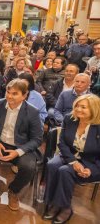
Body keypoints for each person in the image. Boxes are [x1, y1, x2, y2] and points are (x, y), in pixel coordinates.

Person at [0, 79, 43, 211]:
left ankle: (13, 191)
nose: (9, 96)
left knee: (29, 167)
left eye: (15, 93)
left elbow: (37, 139)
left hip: (21, 147)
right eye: (8, 92)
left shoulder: (32, 112)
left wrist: (19, 151)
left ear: (24, 95)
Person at [43, 94, 100, 223]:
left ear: (94, 109)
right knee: (52, 165)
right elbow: (62, 142)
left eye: (83, 107)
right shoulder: (70, 118)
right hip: (69, 155)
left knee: (65, 171)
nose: (78, 109)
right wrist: (73, 161)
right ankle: (52, 202)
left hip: (92, 163)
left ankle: (65, 207)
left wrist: (91, 169)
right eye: (77, 106)